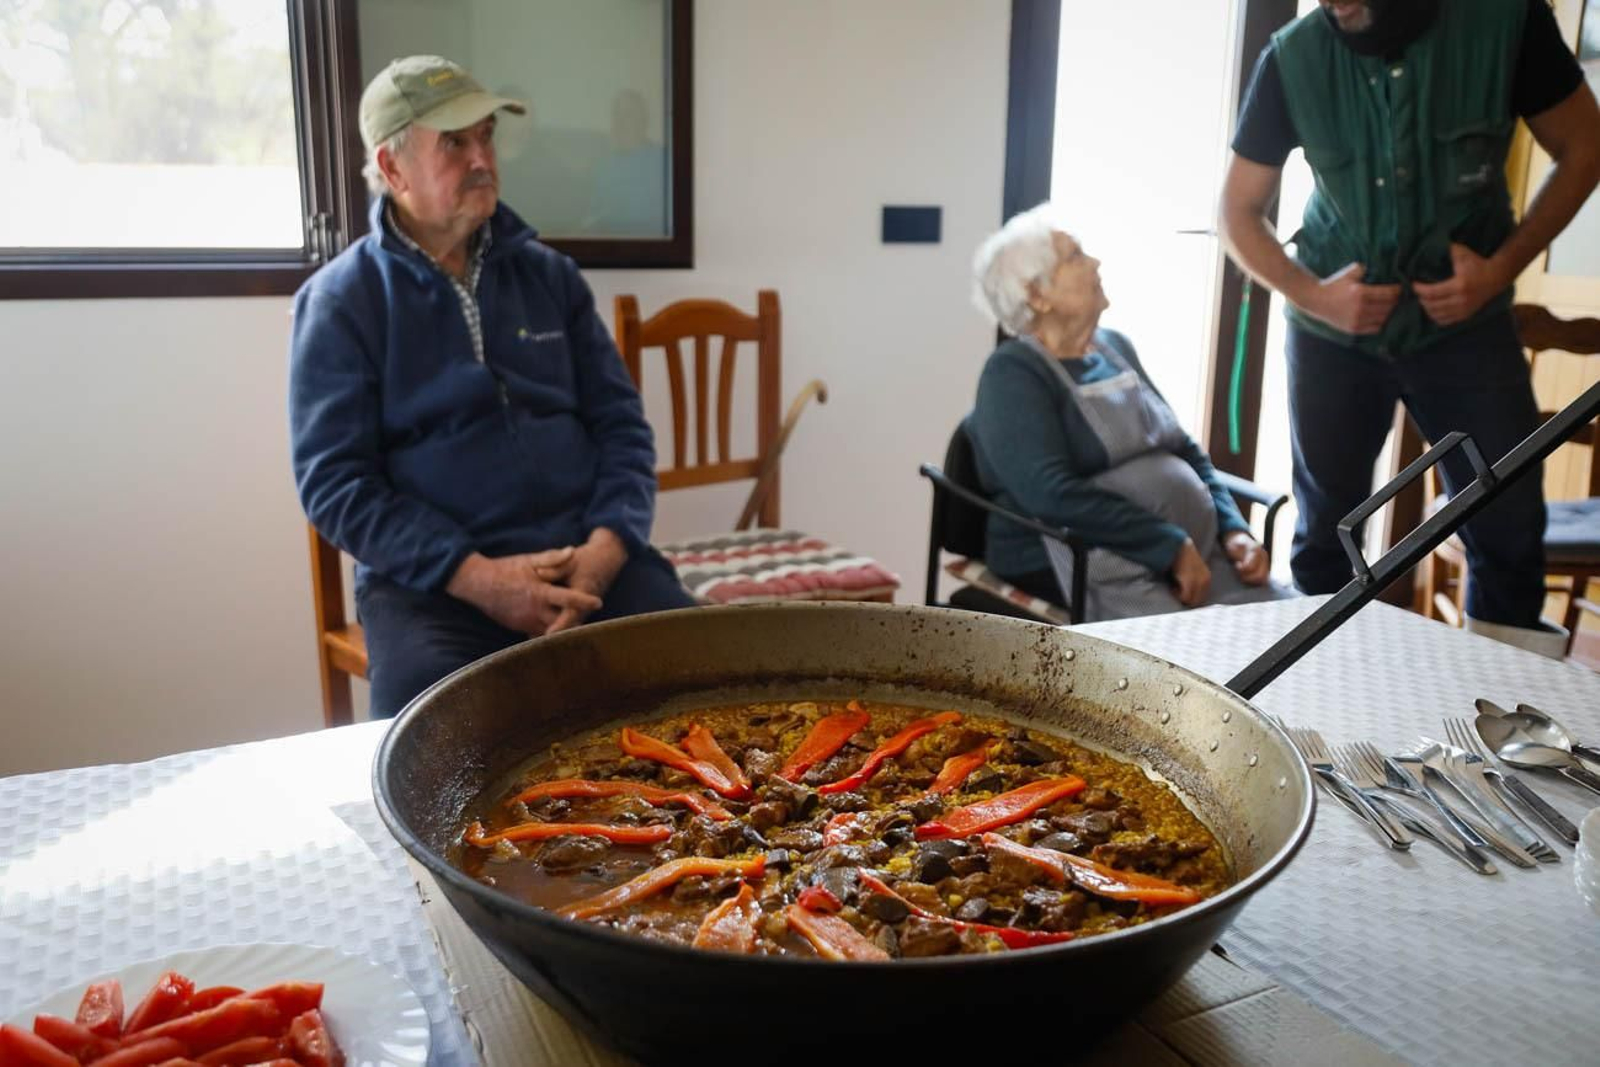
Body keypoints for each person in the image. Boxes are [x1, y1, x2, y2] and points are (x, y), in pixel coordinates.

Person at [289, 55, 694, 718]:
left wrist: (605, 548)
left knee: (711, 678)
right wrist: (477, 578)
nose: (482, 157)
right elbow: (335, 485)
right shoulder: (340, 303)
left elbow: (623, 428)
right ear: (392, 170)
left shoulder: (551, 277)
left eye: (486, 136)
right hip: (435, 590)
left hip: (585, 562)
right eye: (454, 142)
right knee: (435, 747)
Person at [1218, 0, 1600, 657]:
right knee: (1324, 537)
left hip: (1468, 329)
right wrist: (1316, 296)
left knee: (1509, 532)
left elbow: (1586, 146)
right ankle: (1322, 712)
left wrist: (1501, 267)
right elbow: (1236, 212)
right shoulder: (1291, 56)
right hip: (1333, 334)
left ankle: (1502, 728)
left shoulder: (1507, 22)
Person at [967, 204, 1289, 622]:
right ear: (1036, 294)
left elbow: (1185, 448)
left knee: (1288, 623)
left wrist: (1233, 529)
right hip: (1086, 556)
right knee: (1200, 654)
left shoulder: (1114, 347)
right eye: (1076, 256)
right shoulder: (1012, 373)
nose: (1096, 262)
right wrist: (1168, 545)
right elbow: (1050, 493)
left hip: (1193, 547)